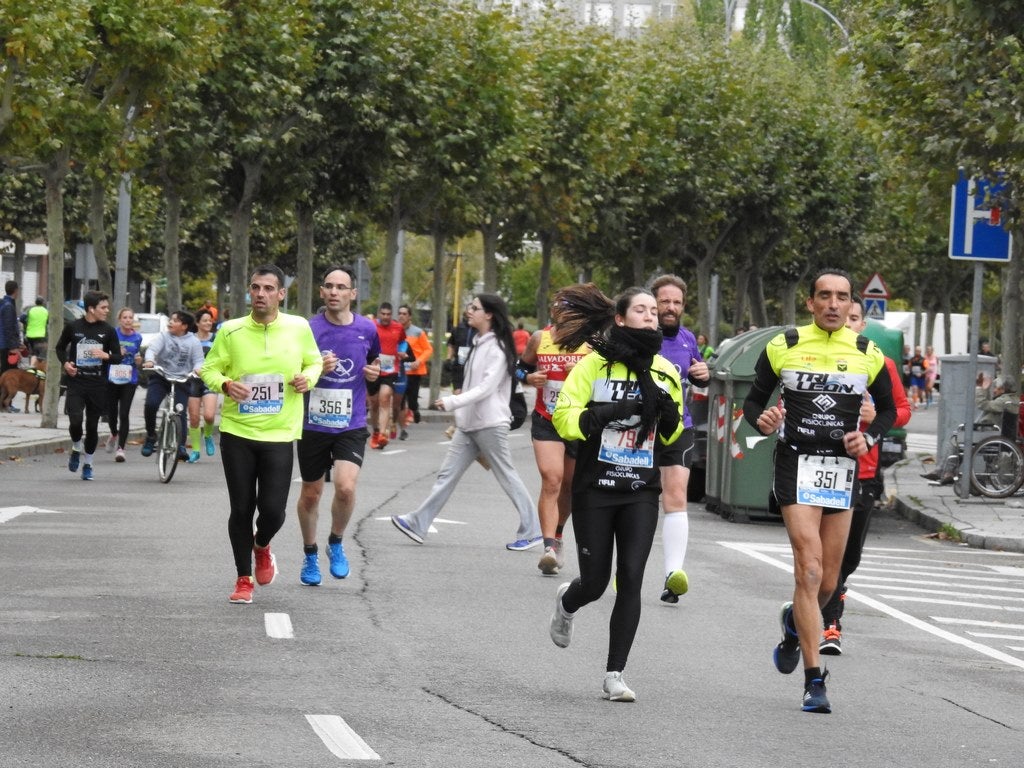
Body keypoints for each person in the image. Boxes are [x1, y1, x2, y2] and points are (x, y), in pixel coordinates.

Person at [742, 268, 896, 714]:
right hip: (796, 464)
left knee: (828, 582)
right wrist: (763, 419)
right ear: (810, 303)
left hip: (841, 470)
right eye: (824, 296)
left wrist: (868, 437)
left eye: (842, 297)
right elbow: (754, 401)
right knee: (807, 572)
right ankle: (814, 681)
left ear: (852, 306)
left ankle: (794, 626)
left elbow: (886, 410)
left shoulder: (868, 353)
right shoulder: (784, 346)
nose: (833, 304)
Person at [546, 285, 684, 703]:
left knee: (631, 580)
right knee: (595, 582)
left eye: (653, 311)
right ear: (620, 319)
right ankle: (568, 602)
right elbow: (563, 417)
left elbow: (672, 433)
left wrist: (670, 414)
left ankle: (614, 675)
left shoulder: (665, 371)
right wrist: (603, 414)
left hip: (640, 488)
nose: (650, 316)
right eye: (640, 310)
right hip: (596, 486)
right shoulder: (593, 367)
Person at [201, 264, 323, 604]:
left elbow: (313, 362)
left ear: (281, 294)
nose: (260, 294)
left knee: (273, 511)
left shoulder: (298, 328)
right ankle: (243, 579)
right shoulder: (230, 331)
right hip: (238, 430)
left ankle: (262, 544)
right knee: (241, 508)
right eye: (255, 287)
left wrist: (307, 379)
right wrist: (225, 384)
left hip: (280, 433)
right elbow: (209, 369)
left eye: (268, 288)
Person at [390, 293, 541, 551]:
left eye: (475, 308)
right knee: (447, 475)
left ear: (489, 315)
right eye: (470, 307)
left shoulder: (498, 349)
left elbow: (485, 389)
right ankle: (418, 522)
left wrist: (451, 403)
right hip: (470, 425)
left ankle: (532, 530)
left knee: (506, 475)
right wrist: (459, 410)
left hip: (490, 423)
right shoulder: (480, 341)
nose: (468, 311)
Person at [819, 296, 912, 655]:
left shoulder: (881, 363)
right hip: (821, 466)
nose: (847, 320)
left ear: (860, 324)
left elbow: (902, 410)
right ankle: (830, 623)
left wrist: (877, 420)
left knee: (850, 556)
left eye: (855, 317)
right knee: (826, 554)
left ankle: (831, 595)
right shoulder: (818, 358)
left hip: (865, 470)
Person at [296, 266, 381, 586]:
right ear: (321, 292)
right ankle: (310, 553)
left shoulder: (367, 329)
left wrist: (374, 375)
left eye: (341, 287)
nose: (334, 292)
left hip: (351, 422)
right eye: (329, 286)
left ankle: (335, 542)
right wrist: (315, 366)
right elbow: (294, 370)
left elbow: (374, 364)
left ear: (352, 294)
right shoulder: (308, 329)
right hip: (313, 423)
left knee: (345, 487)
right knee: (311, 493)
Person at [516, 286, 592, 575]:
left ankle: (558, 536)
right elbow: (519, 368)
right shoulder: (540, 338)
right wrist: (529, 377)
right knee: (552, 478)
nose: (562, 311)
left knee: (570, 485)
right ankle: (548, 547)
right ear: (552, 311)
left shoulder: (590, 343)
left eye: (569, 306)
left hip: (576, 421)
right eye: (558, 305)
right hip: (546, 419)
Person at [650, 274, 710, 603]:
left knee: (676, 496)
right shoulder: (641, 336)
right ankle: (625, 570)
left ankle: (673, 575)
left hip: (678, 429)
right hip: (639, 431)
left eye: (677, 303)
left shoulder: (687, 339)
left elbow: (698, 373)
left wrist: (704, 374)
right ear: (653, 302)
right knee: (640, 500)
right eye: (665, 302)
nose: (670, 308)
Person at [54, 290, 123, 480]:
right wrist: (66, 364)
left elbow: (118, 357)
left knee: (92, 427)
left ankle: (88, 463)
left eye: (107, 307)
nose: (107, 310)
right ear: (91, 309)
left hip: (98, 385)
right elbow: (59, 348)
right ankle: (76, 447)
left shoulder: (108, 330)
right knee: (75, 420)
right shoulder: (74, 327)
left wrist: (106, 356)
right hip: (77, 382)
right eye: (103, 307)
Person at [141, 311, 205, 463]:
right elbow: (152, 349)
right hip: (161, 376)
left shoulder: (193, 341)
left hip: (182, 380)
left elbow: (198, 360)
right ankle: (151, 436)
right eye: (171, 319)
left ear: (184, 326)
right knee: (151, 404)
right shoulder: (164, 336)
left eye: (175, 320)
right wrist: (150, 360)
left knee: (179, 411)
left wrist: (198, 369)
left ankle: (181, 445)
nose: (170, 322)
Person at [104, 308, 144, 462]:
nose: (128, 320)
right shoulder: (112, 334)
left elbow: (137, 355)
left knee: (124, 413)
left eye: (130, 317)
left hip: (130, 379)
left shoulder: (137, 337)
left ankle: (121, 449)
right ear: (119, 319)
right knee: (112, 413)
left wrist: (138, 360)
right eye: (125, 317)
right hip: (113, 377)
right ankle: (114, 433)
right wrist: (115, 352)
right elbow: (105, 353)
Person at [368, 302, 405, 449]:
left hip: (391, 369)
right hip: (373, 367)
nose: (385, 317)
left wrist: (401, 352)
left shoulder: (398, 327)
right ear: (378, 314)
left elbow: (403, 342)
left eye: (388, 314)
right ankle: (376, 431)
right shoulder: (371, 326)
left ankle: (383, 434)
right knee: (374, 402)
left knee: (384, 397)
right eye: (383, 314)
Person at [186, 308, 219, 462]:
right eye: (205, 320)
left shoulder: (216, 338)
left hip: (209, 380)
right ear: (197, 323)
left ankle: (207, 435)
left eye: (210, 320)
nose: (208, 323)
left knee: (209, 415)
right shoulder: (190, 339)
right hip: (192, 380)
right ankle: (196, 451)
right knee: (193, 418)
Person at [397, 304, 432, 430]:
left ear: (410, 316)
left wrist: (419, 361)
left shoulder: (417, 332)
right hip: (400, 371)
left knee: (412, 401)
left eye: (404, 314)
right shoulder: (395, 330)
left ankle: (414, 411)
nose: (401, 316)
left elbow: (428, 349)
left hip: (414, 371)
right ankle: (401, 424)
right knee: (400, 398)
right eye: (400, 313)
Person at [446, 305, 476, 394]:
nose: (471, 311)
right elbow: (451, 343)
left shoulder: (480, 329)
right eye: (469, 309)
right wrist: (448, 358)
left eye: (474, 309)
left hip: (474, 364)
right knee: (458, 392)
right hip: (459, 363)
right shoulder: (459, 327)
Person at [1, 281, 21, 375]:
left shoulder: (6, 304)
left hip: (5, 345)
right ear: (16, 290)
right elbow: (9, 329)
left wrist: (19, 344)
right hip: (6, 347)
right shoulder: (8, 306)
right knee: (9, 375)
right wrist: (13, 347)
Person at [21, 297, 48, 366]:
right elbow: (49, 321)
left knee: (33, 352)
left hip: (30, 335)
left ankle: (31, 367)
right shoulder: (45, 311)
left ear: (35, 303)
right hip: (40, 335)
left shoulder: (30, 310)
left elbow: (23, 318)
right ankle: (37, 368)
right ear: (42, 303)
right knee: (40, 354)